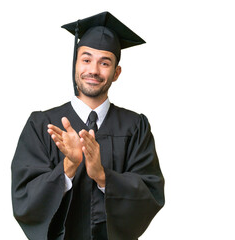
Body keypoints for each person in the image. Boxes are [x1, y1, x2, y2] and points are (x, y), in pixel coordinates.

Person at [11, 11, 165, 240]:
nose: (93, 70)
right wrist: (69, 167)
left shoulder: (136, 127)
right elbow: (23, 197)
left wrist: (103, 176)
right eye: (86, 59)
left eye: (105, 63)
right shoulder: (42, 125)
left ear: (116, 73)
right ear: (75, 64)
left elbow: (150, 193)